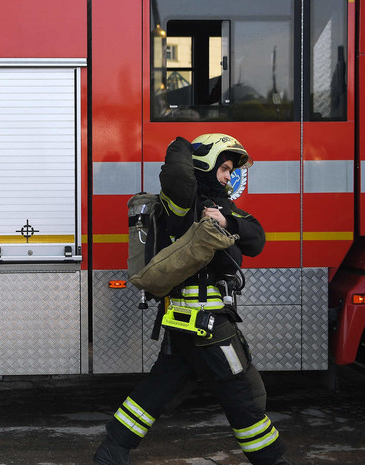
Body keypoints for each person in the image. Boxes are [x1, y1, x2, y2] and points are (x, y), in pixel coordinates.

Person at [94, 134, 290, 465]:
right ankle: (274, 461)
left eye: (231, 170)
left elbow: (257, 239)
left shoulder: (223, 208)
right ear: (206, 164)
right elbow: (175, 175)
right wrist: (185, 143)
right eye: (224, 168)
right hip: (207, 328)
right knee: (242, 394)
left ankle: (113, 450)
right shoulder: (183, 203)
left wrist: (226, 220)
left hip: (185, 326)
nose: (230, 176)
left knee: (157, 390)